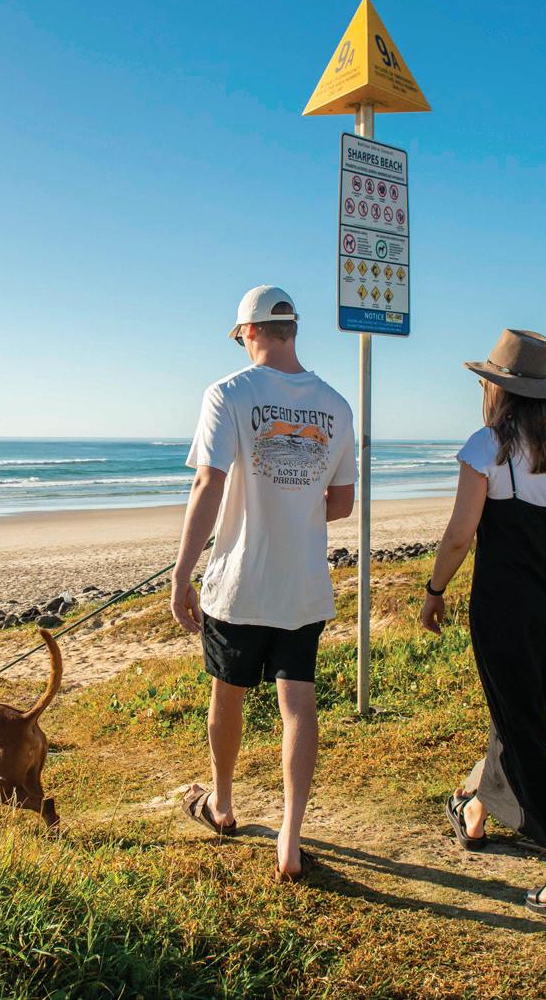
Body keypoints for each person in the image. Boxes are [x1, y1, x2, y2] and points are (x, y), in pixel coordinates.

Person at [420, 328, 546, 922]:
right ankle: (476, 813)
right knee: (518, 713)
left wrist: (434, 591)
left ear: (499, 390)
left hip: (503, 605)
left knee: (525, 726)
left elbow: (460, 535)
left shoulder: (488, 447)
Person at [171, 285, 356, 882]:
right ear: (291, 330)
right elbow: (342, 503)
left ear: (249, 331)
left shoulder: (229, 393)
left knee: (228, 694)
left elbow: (208, 484)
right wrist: (294, 505)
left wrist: (182, 572)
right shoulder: (336, 405)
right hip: (303, 583)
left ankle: (223, 804)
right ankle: (290, 839)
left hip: (239, 582)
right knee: (298, 703)